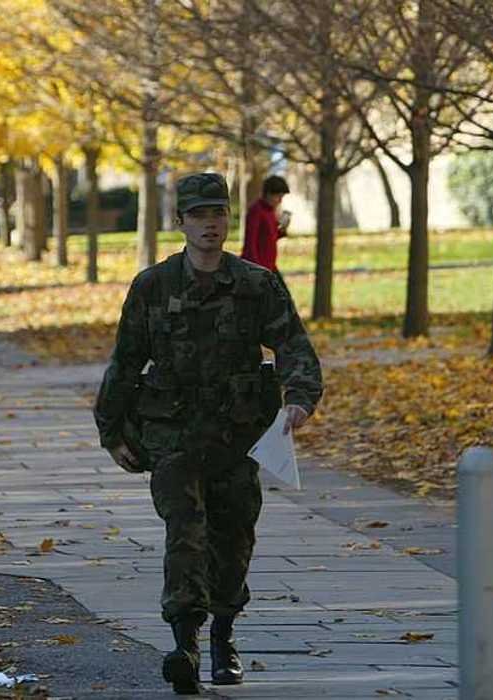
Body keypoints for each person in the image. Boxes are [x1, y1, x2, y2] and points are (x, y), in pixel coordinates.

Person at [94, 172, 322, 694]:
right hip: (172, 437)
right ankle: (185, 643)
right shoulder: (153, 287)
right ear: (180, 223)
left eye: (217, 213)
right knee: (186, 532)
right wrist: (112, 432)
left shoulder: (255, 285)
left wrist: (299, 400)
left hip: (237, 438)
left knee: (234, 535)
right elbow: (126, 361)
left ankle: (223, 634)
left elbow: (294, 346)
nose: (209, 224)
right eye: (198, 215)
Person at [240, 175, 290, 273]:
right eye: (278, 196)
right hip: (257, 268)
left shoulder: (270, 211)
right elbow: (250, 244)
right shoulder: (256, 211)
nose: (280, 201)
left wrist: (282, 230)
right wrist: (256, 269)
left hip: (270, 266)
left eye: (282, 197)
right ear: (268, 194)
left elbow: (269, 237)